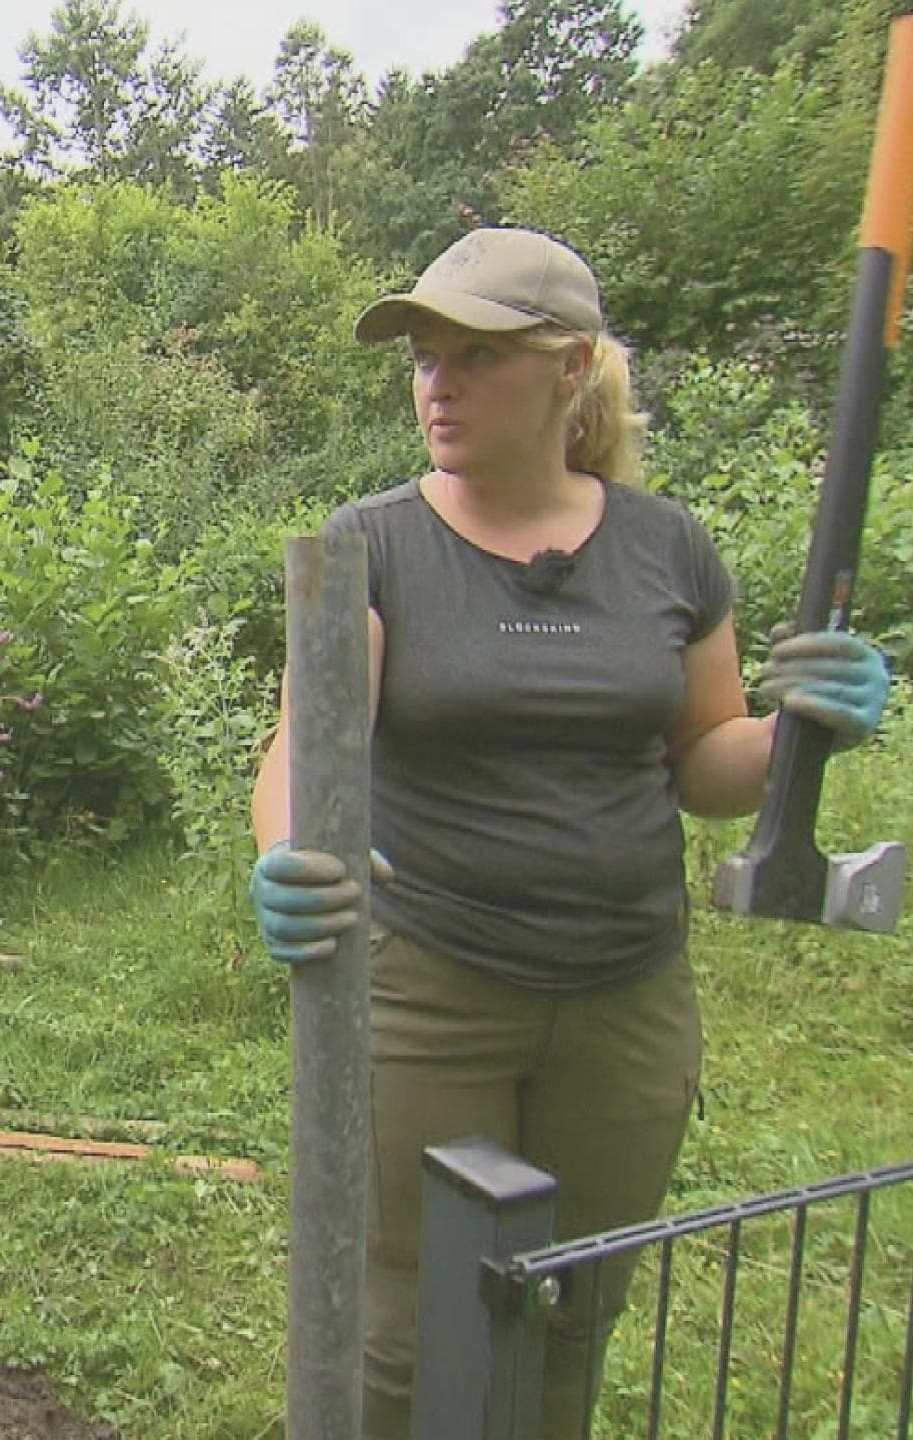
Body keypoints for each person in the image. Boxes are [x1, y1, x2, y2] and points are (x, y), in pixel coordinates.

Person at [248, 227, 890, 1438]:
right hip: (433, 984)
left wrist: (803, 727)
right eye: (424, 357)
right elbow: (305, 749)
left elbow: (705, 762)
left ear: (570, 368)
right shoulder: (373, 544)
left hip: (628, 996)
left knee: (570, 1311)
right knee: (409, 1321)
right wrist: (289, 849)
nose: (437, 383)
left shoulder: (668, 548)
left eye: (474, 356)